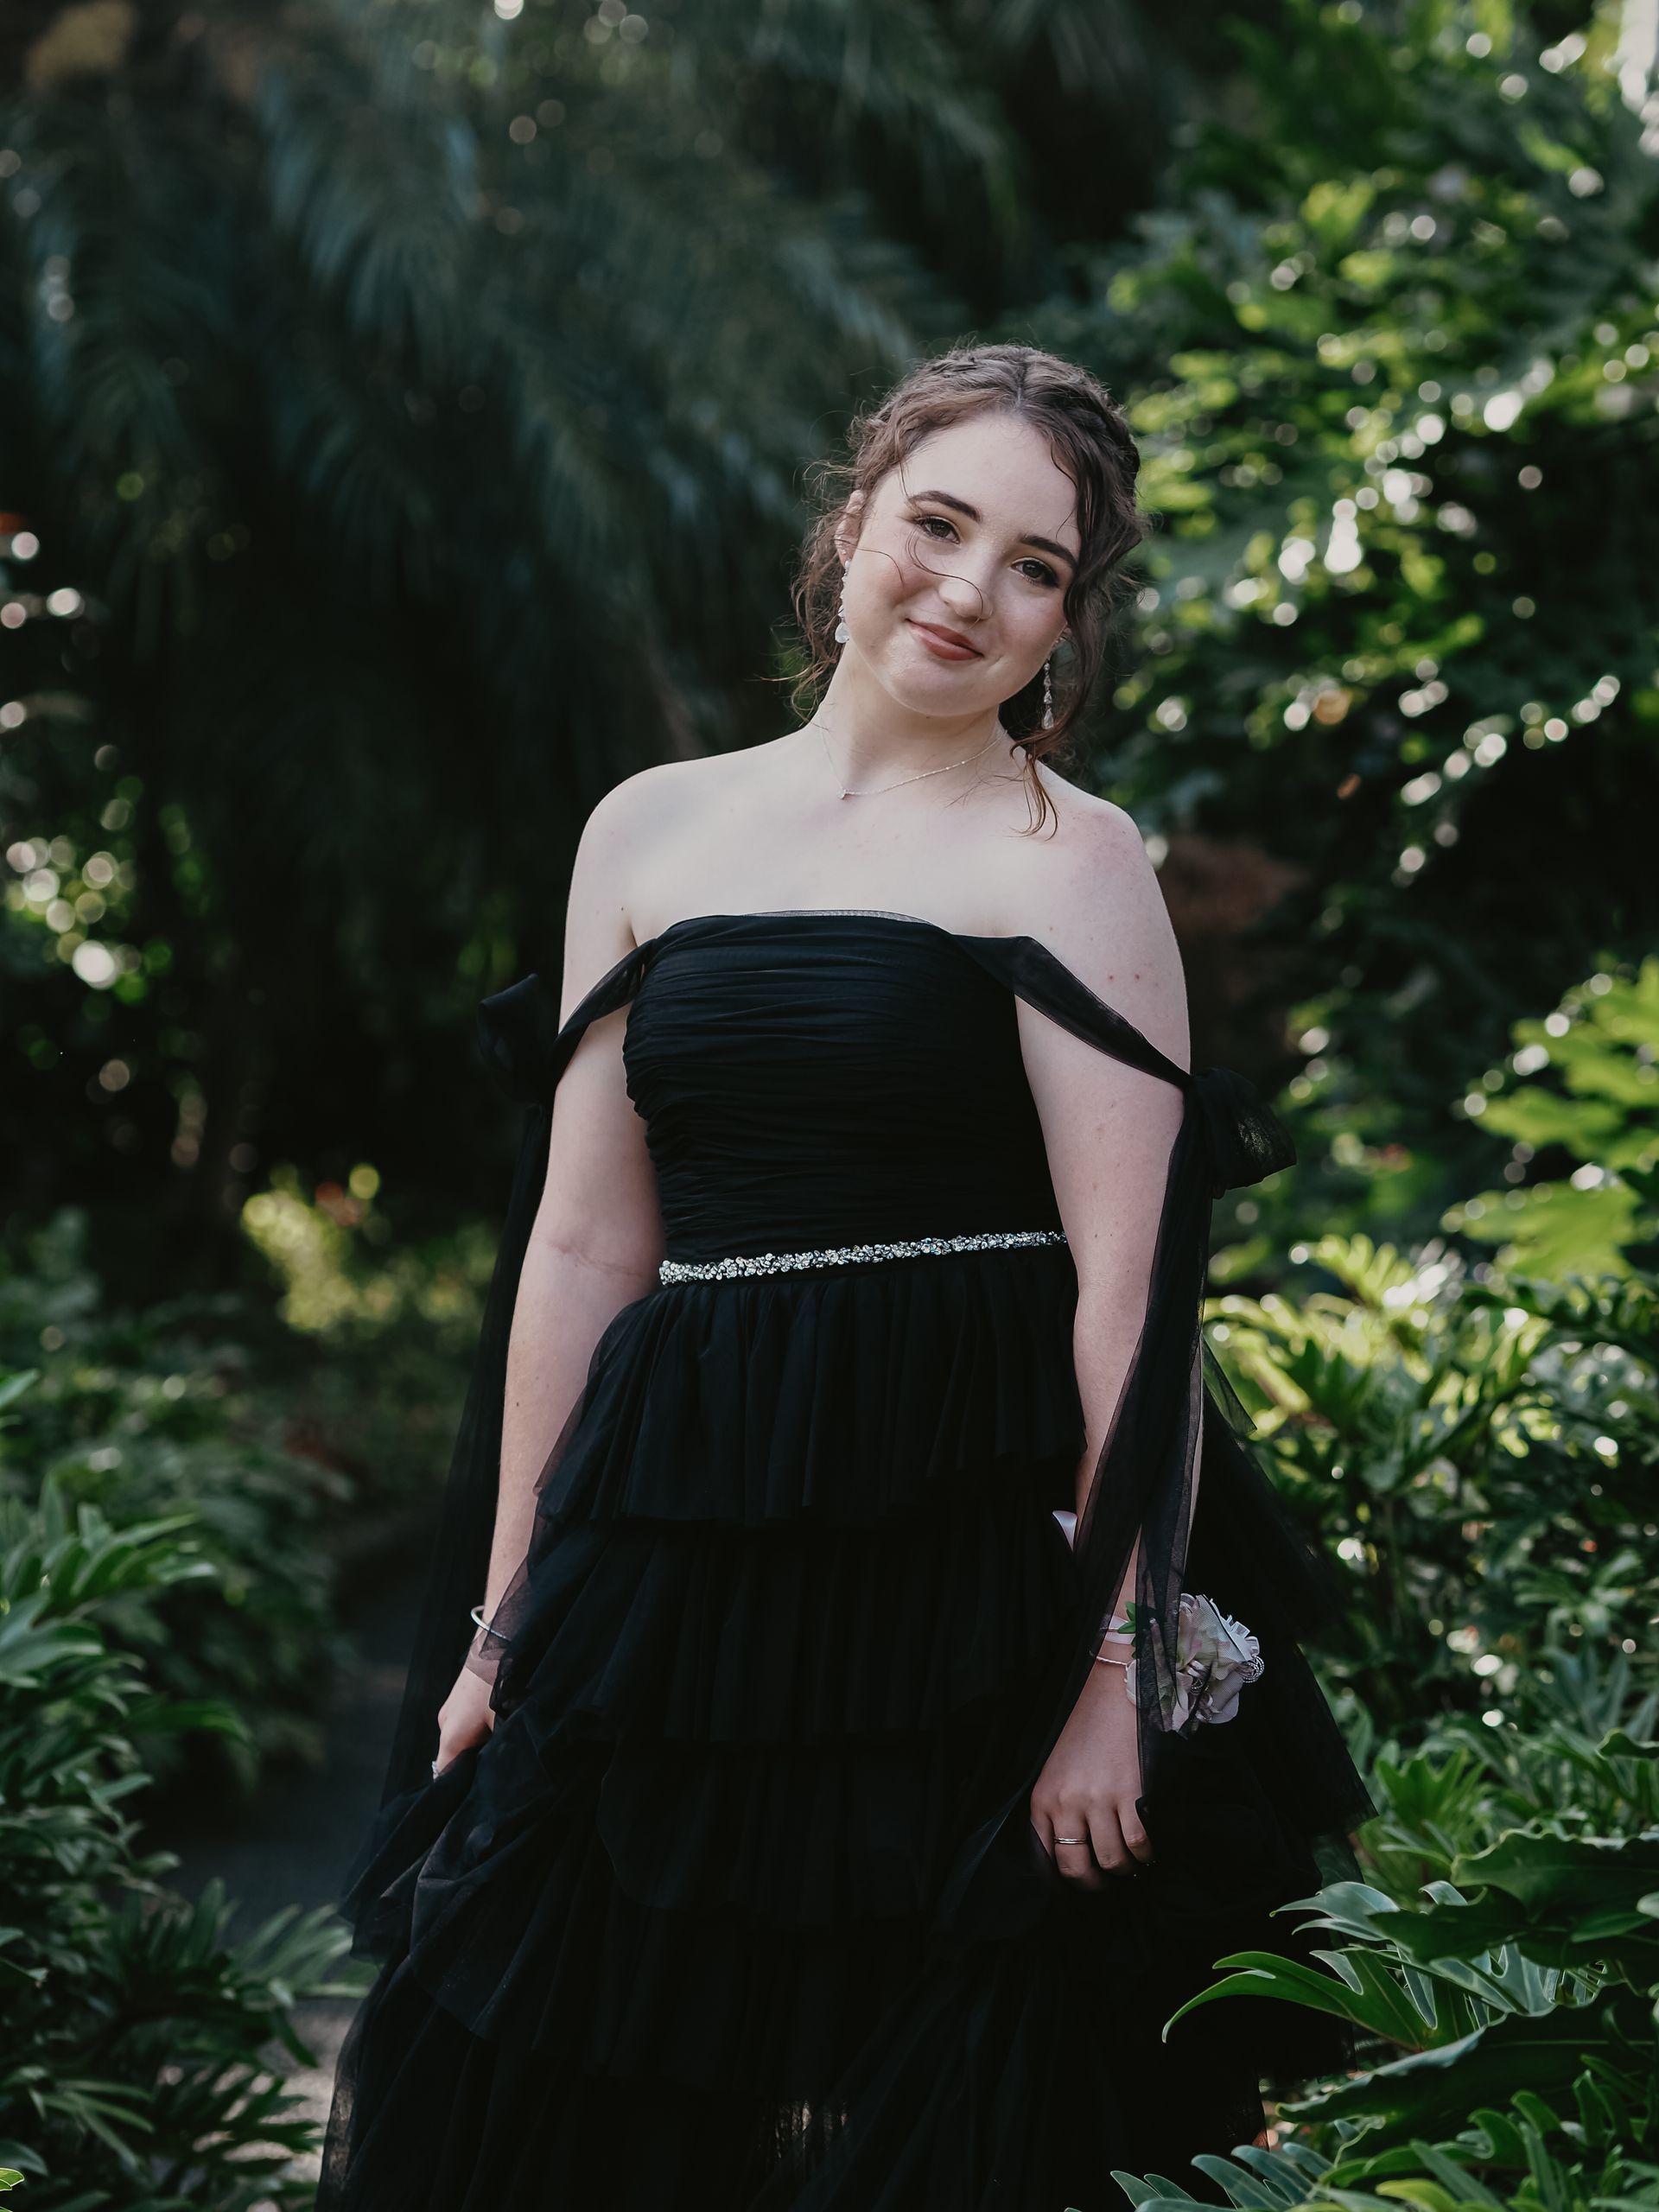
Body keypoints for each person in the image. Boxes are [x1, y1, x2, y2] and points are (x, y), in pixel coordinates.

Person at [319, 341, 1372, 2212]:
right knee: (585, 2042)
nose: (969, 591)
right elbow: (586, 1241)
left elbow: (1134, 1293)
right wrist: (501, 1625)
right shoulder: (650, 828)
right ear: (853, 523)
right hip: (687, 1535)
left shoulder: (1075, 860)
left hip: (971, 1558)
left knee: (967, 2089)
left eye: (1035, 566)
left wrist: (1112, 1673)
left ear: (1070, 620)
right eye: (938, 525)